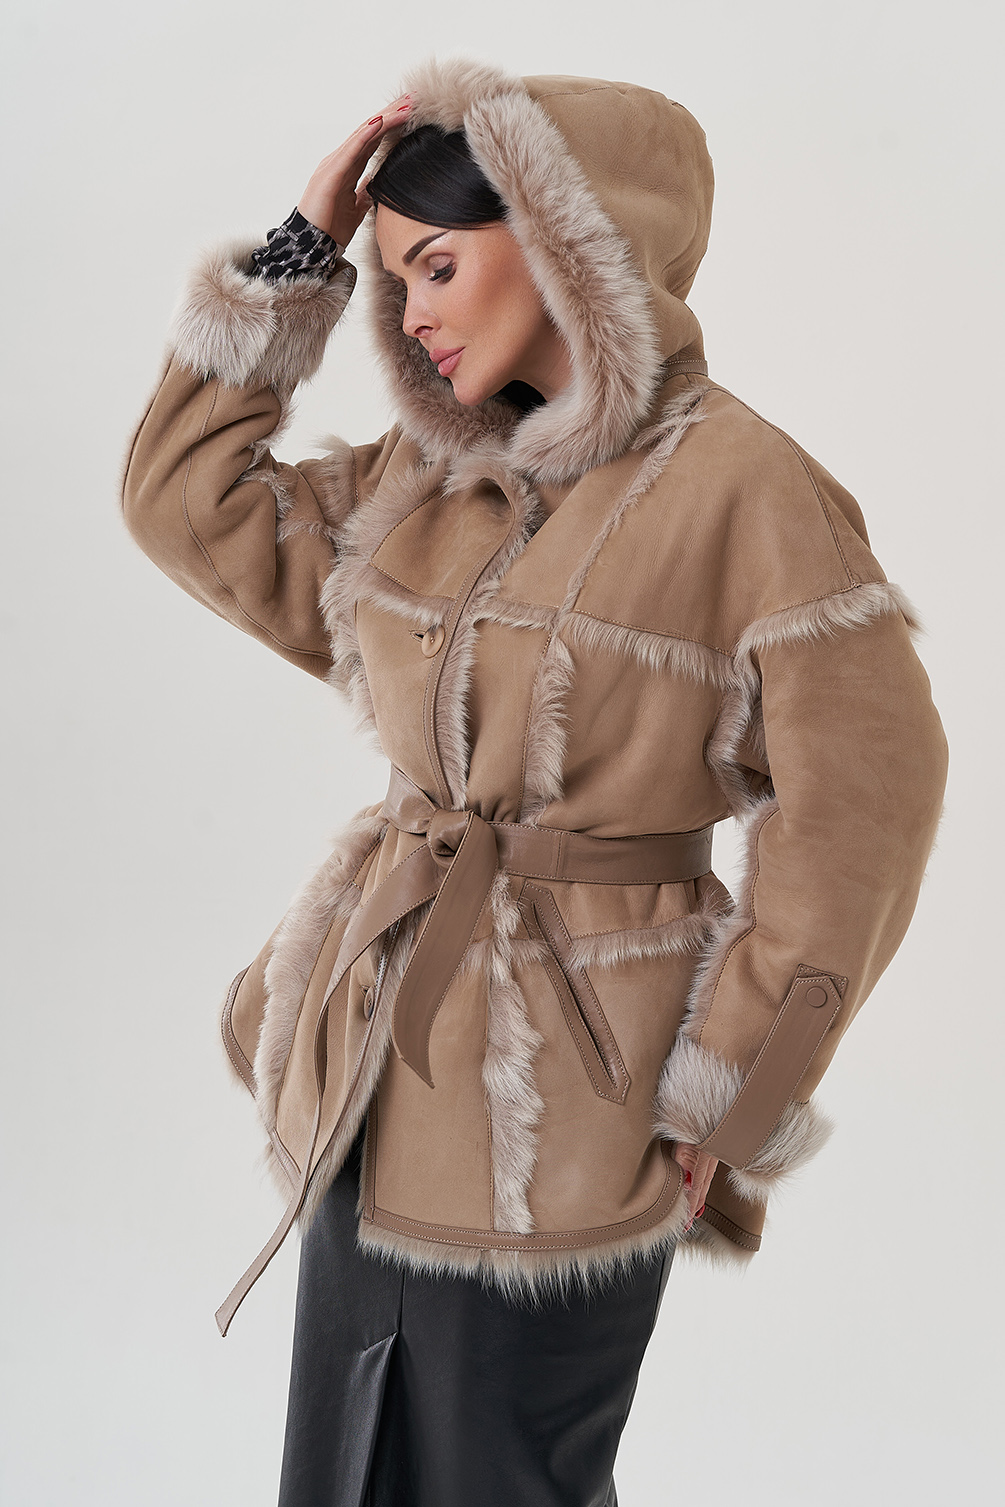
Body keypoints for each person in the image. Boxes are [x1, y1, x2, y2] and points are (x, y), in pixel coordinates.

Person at [120, 59, 949, 1507]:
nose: (411, 313)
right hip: (375, 1071)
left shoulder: (751, 491)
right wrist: (299, 262)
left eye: (436, 265)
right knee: (345, 1476)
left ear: (571, 239)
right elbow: (185, 504)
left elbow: (864, 808)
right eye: (393, 279)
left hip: (574, 1104)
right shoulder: (424, 476)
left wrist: (729, 1094)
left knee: (501, 1479)